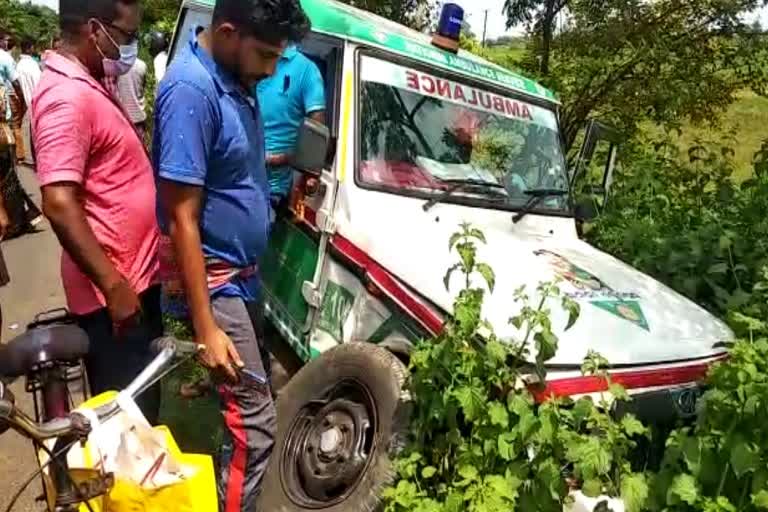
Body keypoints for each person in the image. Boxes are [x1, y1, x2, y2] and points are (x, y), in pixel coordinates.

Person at [152, 0, 309, 508]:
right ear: (225, 31)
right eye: (264, 55)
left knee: (246, 418)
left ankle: (230, 487)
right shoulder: (192, 89)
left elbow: (232, 163)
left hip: (240, 276)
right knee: (258, 428)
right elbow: (182, 217)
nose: (270, 70)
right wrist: (205, 328)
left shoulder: (237, 81)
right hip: (216, 281)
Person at [31, 0, 162, 424]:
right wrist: (112, 284)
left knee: (140, 414)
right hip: (115, 297)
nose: (130, 48)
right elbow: (59, 201)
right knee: (128, 427)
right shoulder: (66, 96)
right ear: (94, 29)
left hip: (132, 282)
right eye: (126, 36)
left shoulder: (89, 82)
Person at [256, 44, 324, 216]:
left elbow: (316, 135)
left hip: (269, 192)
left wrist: (284, 159)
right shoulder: (247, 53)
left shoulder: (306, 71)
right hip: (227, 179)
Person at [0, 32, 41, 238]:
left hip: (4, 118)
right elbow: (14, 82)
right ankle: (16, 219)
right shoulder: (5, 58)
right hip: (3, 121)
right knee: (7, 175)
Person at [16, 39, 42, 166]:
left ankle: (35, 158)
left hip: (26, 101)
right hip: (37, 99)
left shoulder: (19, 64)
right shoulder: (32, 65)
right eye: (32, 47)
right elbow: (40, 82)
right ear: (29, 48)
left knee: (32, 130)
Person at [116, 56, 147, 138]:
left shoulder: (116, 65)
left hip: (123, 118)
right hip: (138, 117)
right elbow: (142, 88)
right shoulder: (142, 65)